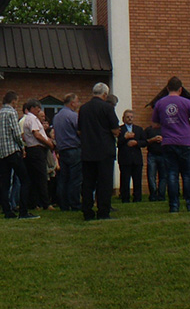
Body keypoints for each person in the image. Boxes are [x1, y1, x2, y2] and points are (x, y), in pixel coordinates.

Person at [152, 76, 190, 213]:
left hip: (168, 142)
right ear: (180, 89)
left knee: (171, 175)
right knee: (188, 175)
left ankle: (174, 206)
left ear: (168, 88)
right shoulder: (186, 102)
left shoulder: (160, 103)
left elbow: (155, 124)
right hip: (185, 142)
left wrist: (167, 123)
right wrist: (185, 122)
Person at [79, 82, 120, 220]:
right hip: (104, 150)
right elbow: (115, 130)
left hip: (87, 150)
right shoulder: (107, 108)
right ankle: (103, 212)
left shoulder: (83, 108)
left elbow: (79, 130)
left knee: (88, 183)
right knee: (104, 183)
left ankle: (87, 211)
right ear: (105, 94)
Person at [0, 91, 35, 220]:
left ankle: (7, 211)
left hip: (1, 152)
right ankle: (23, 211)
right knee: (25, 180)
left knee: (5, 183)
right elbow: (16, 133)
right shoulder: (11, 113)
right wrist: (22, 146)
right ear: (13, 101)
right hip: (12, 151)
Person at [22, 98, 54, 211]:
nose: (39, 110)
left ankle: (34, 203)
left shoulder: (28, 119)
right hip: (36, 149)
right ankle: (45, 203)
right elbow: (37, 135)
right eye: (38, 108)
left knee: (34, 177)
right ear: (32, 108)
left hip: (32, 150)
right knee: (41, 177)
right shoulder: (33, 119)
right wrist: (49, 144)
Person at [53, 94, 82, 211]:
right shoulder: (73, 116)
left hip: (62, 150)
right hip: (74, 148)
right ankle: (74, 203)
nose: (78, 104)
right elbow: (79, 131)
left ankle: (63, 204)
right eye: (77, 102)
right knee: (75, 178)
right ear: (72, 103)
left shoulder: (57, 116)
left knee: (63, 178)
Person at [117, 109, 145, 203]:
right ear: (123, 118)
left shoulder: (138, 129)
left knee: (137, 179)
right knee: (125, 179)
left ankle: (137, 198)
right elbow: (117, 143)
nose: (129, 119)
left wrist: (136, 142)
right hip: (125, 158)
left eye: (131, 117)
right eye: (127, 117)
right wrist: (125, 138)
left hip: (136, 158)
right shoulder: (120, 130)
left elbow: (144, 142)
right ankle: (125, 198)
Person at [143, 122, 166, 201]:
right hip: (152, 155)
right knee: (151, 176)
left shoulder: (165, 129)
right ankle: (153, 195)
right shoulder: (149, 130)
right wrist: (152, 140)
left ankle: (161, 195)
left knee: (163, 176)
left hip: (163, 155)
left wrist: (163, 139)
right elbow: (143, 142)